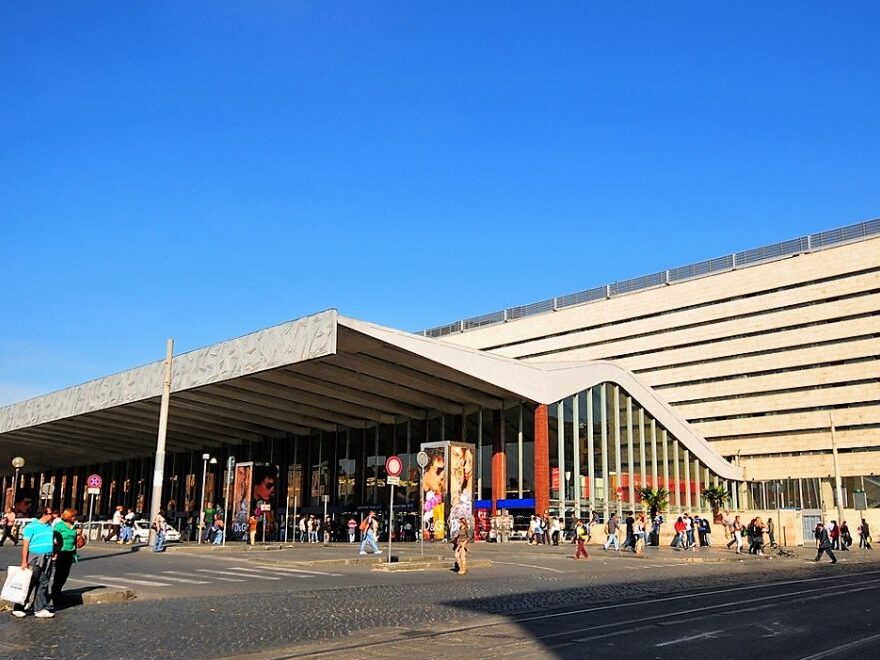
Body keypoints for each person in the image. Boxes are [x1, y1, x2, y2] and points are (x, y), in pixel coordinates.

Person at [12, 506, 56, 618]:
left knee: (44, 583)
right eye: (50, 514)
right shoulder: (31, 527)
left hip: (48, 557)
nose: (53, 516)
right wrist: (24, 561)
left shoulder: (49, 526)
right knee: (29, 582)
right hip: (35, 557)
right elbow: (25, 545)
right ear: (44, 514)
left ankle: (40, 608)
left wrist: (53, 552)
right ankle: (19, 607)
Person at [51, 508, 78, 606]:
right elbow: (53, 538)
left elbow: (75, 538)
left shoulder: (74, 526)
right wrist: (54, 551)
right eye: (74, 516)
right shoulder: (59, 526)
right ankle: (55, 594)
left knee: (65, 574)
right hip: (61, 552)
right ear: (68, 516)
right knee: (59, 574)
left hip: (70, 552)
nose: (75, 518)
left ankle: (59, 591)